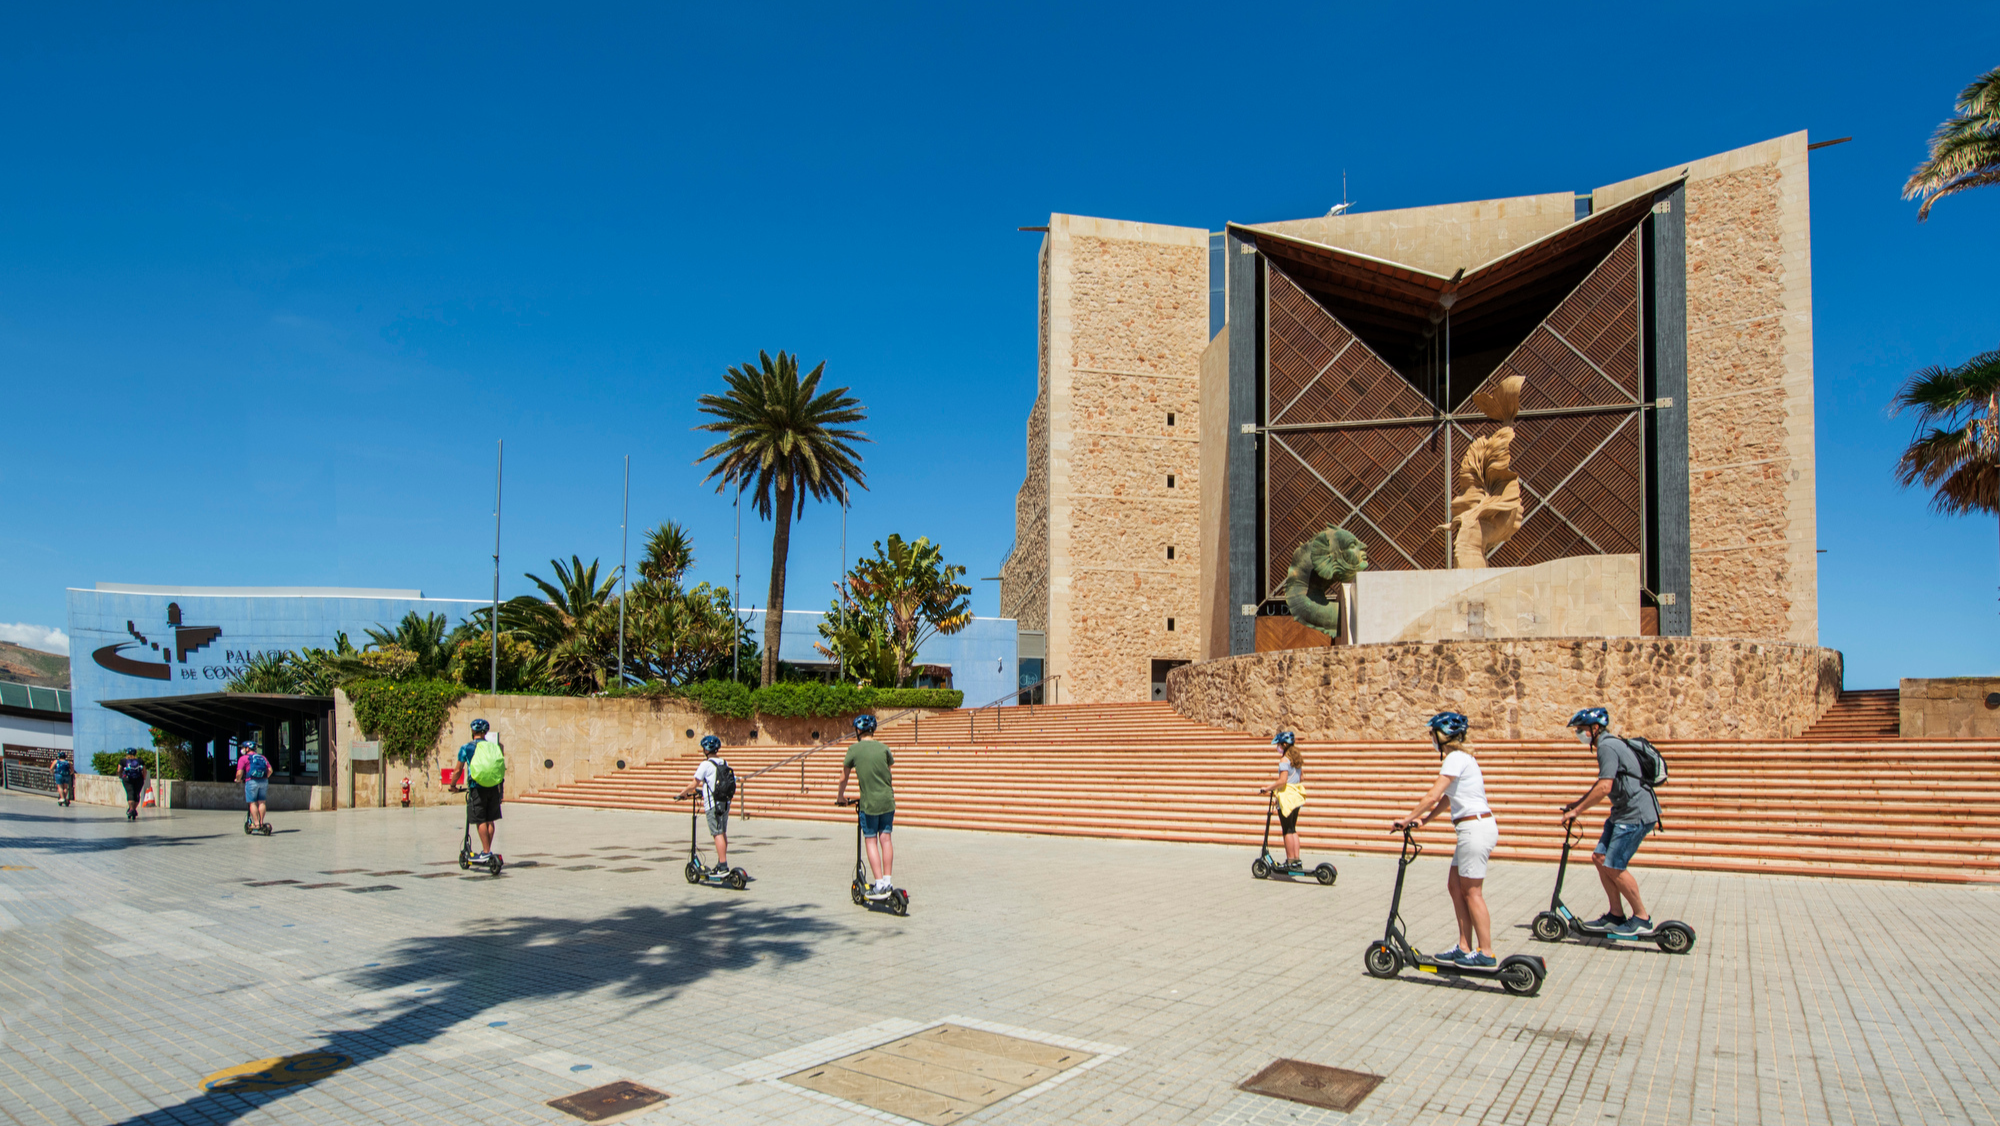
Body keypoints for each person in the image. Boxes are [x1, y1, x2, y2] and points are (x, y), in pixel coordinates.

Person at [1393, 712, 1498, 968]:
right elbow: (1449, 798)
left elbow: (1433, 795)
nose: (1430, 738)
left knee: (1472, 892)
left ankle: (1486, 952)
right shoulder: (1462, 759)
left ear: (1443, 735)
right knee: (1455, 886)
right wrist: (1426, 821)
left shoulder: (1455, 758)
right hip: (1469, 828)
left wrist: (1407, 819)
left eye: (1432, 734)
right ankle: (1464, 946)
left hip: (1475, 828)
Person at [1561, 707, 1662, 935]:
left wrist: (1577, 812)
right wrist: (1577, 803)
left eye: (1581, 729)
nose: (1579, 733)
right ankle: (1616, 915)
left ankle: (1642, 919)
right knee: (1600, 858)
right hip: (1622, 812)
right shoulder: (1608, 744)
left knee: (1615, 865)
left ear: (1595, 729)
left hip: (1635, 814)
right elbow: (1603, 784)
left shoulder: (1606, 746)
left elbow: (1605, 786)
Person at [835, 714, 896, 896]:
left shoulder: (854, 750)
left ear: (859, 731)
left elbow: (843, 777)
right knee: (885, 839)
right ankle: (887, 881)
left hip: (869, 803)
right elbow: (888, 773)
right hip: (887, 800)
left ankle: (878, 884)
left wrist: (840, 797)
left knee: (870, 840)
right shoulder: (884, 748)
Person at [676, 736, 734, 875]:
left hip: (713, 804)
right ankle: (722, 862)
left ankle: (723, 865)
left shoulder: (706, 764)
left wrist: (682, 793)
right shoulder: (723, 762)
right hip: (725, 802)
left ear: (706, 750)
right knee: (722, 832)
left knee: (717, 833)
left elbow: (694, 783)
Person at [1255, 731, 1308, 870]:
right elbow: (1302, 778)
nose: (1278, 747)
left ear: (1284, 745)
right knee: (1292, 828)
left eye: (1279, 745)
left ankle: (1290, 860)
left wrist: (1267, 788)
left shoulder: (1284, 760)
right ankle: (1296, 860)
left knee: (1286, 830)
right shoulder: (1297, 758)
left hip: (1286, 796)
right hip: (1296, 795)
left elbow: (1282, 781)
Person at [461, 718, 505, 861]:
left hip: (477, 788)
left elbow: (457, 770)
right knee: (490, 819)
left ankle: (485, 852)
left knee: (480, 820)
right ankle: (487, 850)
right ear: (485, 732)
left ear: (472, 731)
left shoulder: (467, 747)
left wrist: (452, 785)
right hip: (492, 787)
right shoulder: (493, 747)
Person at [236, 739, 273, 831]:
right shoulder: (262, 757)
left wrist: (238, 780)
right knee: (262, 802)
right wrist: (264, 777)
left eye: (244, 748)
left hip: (251, 781)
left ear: (248, 748)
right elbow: (270, 770)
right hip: (263, 781)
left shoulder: (243, 758)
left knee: (252, 803)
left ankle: (256, 824)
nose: (243, 750)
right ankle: (261, 823)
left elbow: (239, 773)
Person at [117, 748, 148, 821]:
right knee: (137, 794)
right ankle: (134, 809)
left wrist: (120, 776)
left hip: (128, 779)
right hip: (139, 779)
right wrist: (143, 778)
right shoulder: (140, 761)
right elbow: (144, 771)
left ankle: (131, 809)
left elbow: (119, 770)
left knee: (130, 793)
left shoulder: (123, 761)